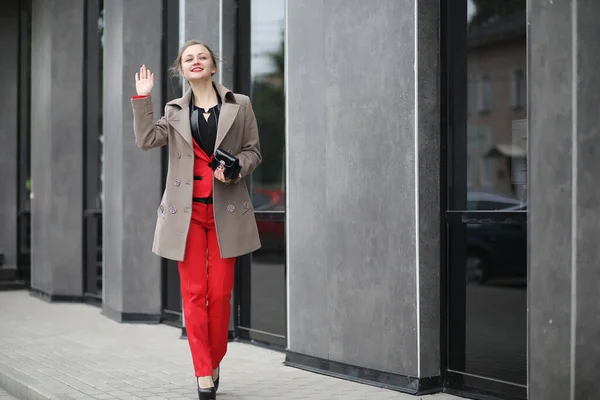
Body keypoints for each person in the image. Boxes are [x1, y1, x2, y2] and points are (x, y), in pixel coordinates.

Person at [131, 40, 262, 400]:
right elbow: (145, 140)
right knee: (193, 294)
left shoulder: (240, 105)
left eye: (202, 56)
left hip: (226, 213)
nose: (196, 61)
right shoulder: (173, 111)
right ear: (182, 70)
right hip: (185, 215)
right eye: (188, 59)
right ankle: (204, 372)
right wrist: (143, 99)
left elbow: (254, 152)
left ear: (213, 66)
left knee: (219, 294)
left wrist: (238, 167)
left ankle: (214, 358)